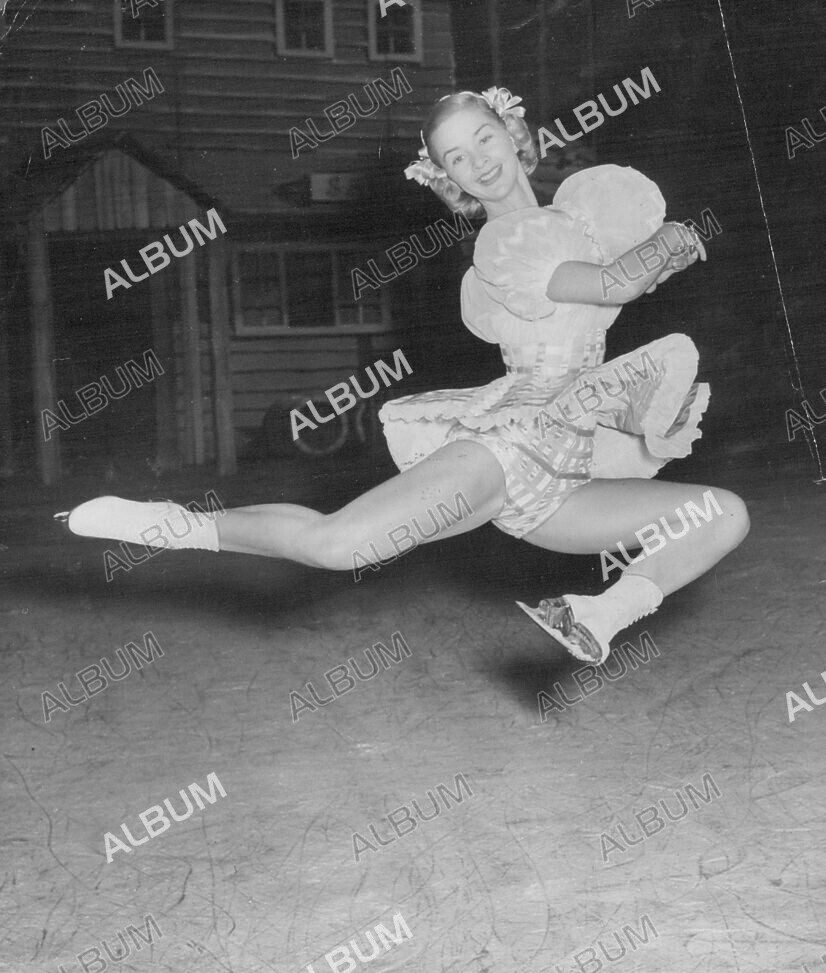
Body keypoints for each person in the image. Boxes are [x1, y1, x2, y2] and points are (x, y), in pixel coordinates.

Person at [60, 87, 749, 665]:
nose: (479, 161)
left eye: (484, 139)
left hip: (563, 480)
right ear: (449, 178)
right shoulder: (503, 242)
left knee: (720, 514)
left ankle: (595, 615)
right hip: (507, 452)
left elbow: (588, 354)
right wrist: (672, 242)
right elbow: (611, 285)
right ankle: (174, 524)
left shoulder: (568, 222)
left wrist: (648, 405)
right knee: (338, 545)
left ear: (514, 135)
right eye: (457, 157)